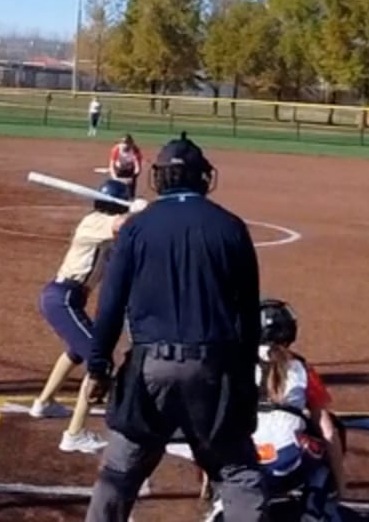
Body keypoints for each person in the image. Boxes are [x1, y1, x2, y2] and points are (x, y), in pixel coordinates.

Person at [84, 133, 268, 522]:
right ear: (203, 177)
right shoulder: (231, 227)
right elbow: (248, 315)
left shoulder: (137, 228)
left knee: (119, 473)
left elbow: (110, 305)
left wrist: (98, 366)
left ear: (160, 178)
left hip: (151, 368)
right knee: (237, 473)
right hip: (214, 369)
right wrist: (244, 378)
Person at [28, 178, 145, 453]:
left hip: (69, 298)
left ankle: (43, 403)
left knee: (75, 351)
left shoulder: (107, 232)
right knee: (98, 360)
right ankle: (74, 434)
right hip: (62, 298)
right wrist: (138, 211)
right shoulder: (95, 222)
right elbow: (121, 225)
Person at [250, 299, 346, 502]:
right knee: (327, 433)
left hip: (244, 460)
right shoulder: (301, 367)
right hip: (285, 462)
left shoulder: (235, 365)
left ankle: (220, 500)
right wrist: (341, 485)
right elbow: (329, 432)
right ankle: (314, 504)